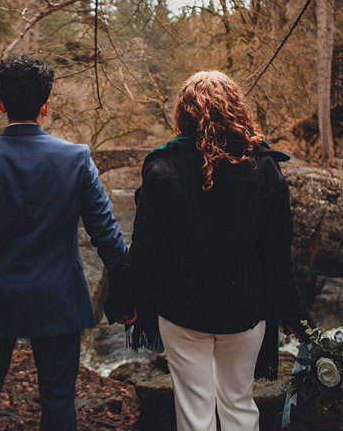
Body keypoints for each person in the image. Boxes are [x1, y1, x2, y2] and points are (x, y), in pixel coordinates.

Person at [110, 71, 313, 431]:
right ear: (236, 109)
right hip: (244, 311)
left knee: (194, 411)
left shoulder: (161, 166)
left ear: (183, 113)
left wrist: (125, 301)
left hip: (183, 310)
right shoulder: (263, 166)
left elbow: (146, 251)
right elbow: (278, 256)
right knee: (238, 403)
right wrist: (296, 317)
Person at [0, 54, 130, 431]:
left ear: (0, 104)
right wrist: (128, 290)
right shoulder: (76, 159)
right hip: (58, 297)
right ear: (45, 106)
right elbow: (107, 235)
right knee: (59, 398)